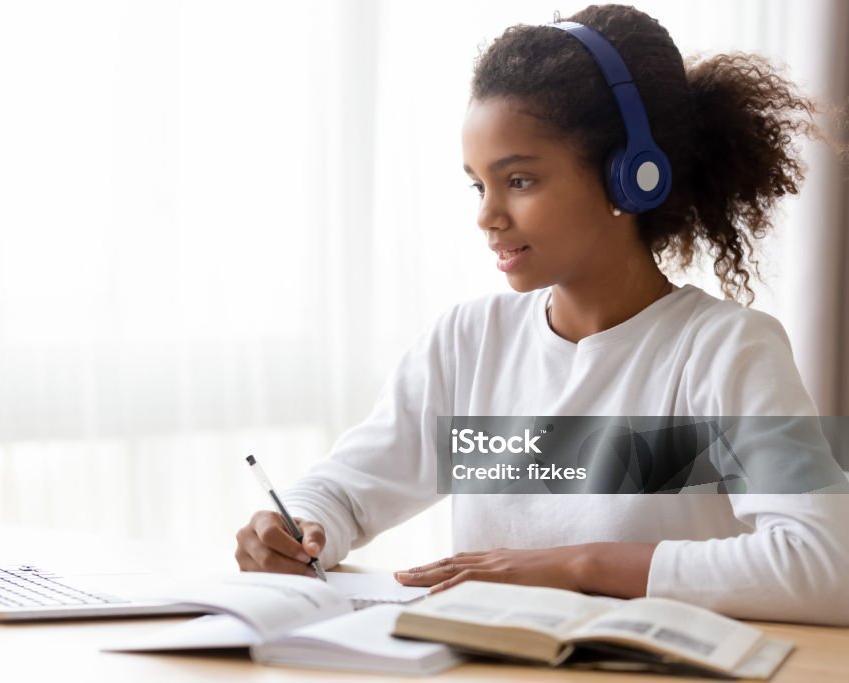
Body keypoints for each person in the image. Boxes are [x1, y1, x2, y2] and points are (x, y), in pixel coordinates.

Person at [234, 4, 849, 625]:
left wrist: (579, 567)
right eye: (479, 185)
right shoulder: (469, 343)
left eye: (520, 181)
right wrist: (300, 526)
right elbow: (345, 493)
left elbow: (830, 567)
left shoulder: (726, 350)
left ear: (631, 179)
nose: (487, 215)